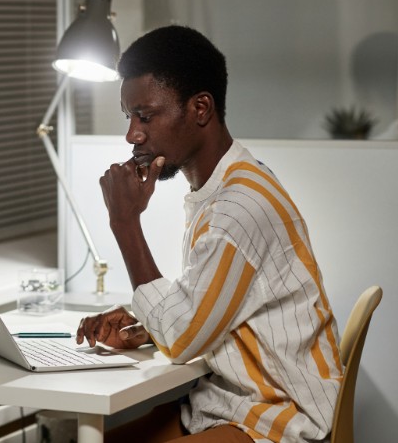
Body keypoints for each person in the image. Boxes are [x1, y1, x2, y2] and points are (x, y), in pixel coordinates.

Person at [75, 25, 342, 443]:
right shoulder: (225, 187)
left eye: (146, 116)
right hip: (227, 406)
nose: (133, 135)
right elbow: (212, 305)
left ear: (200, 109)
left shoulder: (239, 206)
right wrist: (147, 325)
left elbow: (182, 340)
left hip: (277, 421)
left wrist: (124, 224)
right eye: (129, 117)